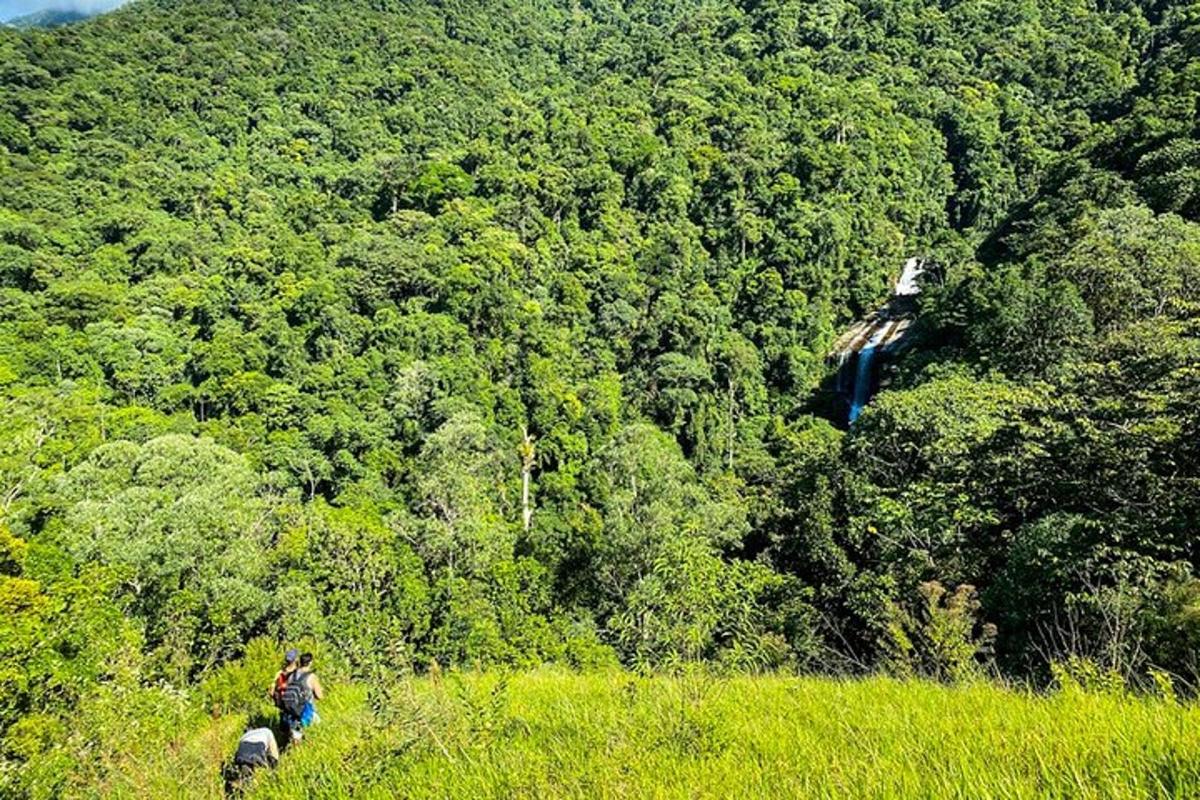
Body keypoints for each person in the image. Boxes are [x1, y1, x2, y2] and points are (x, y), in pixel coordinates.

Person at [279, 652, 324, 742]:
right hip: (307, 711)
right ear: (310, 662)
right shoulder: (311, 677)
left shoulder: (291, 676)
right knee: (318, 733)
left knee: (296, 739)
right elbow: (320, 696)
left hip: (292, 712)